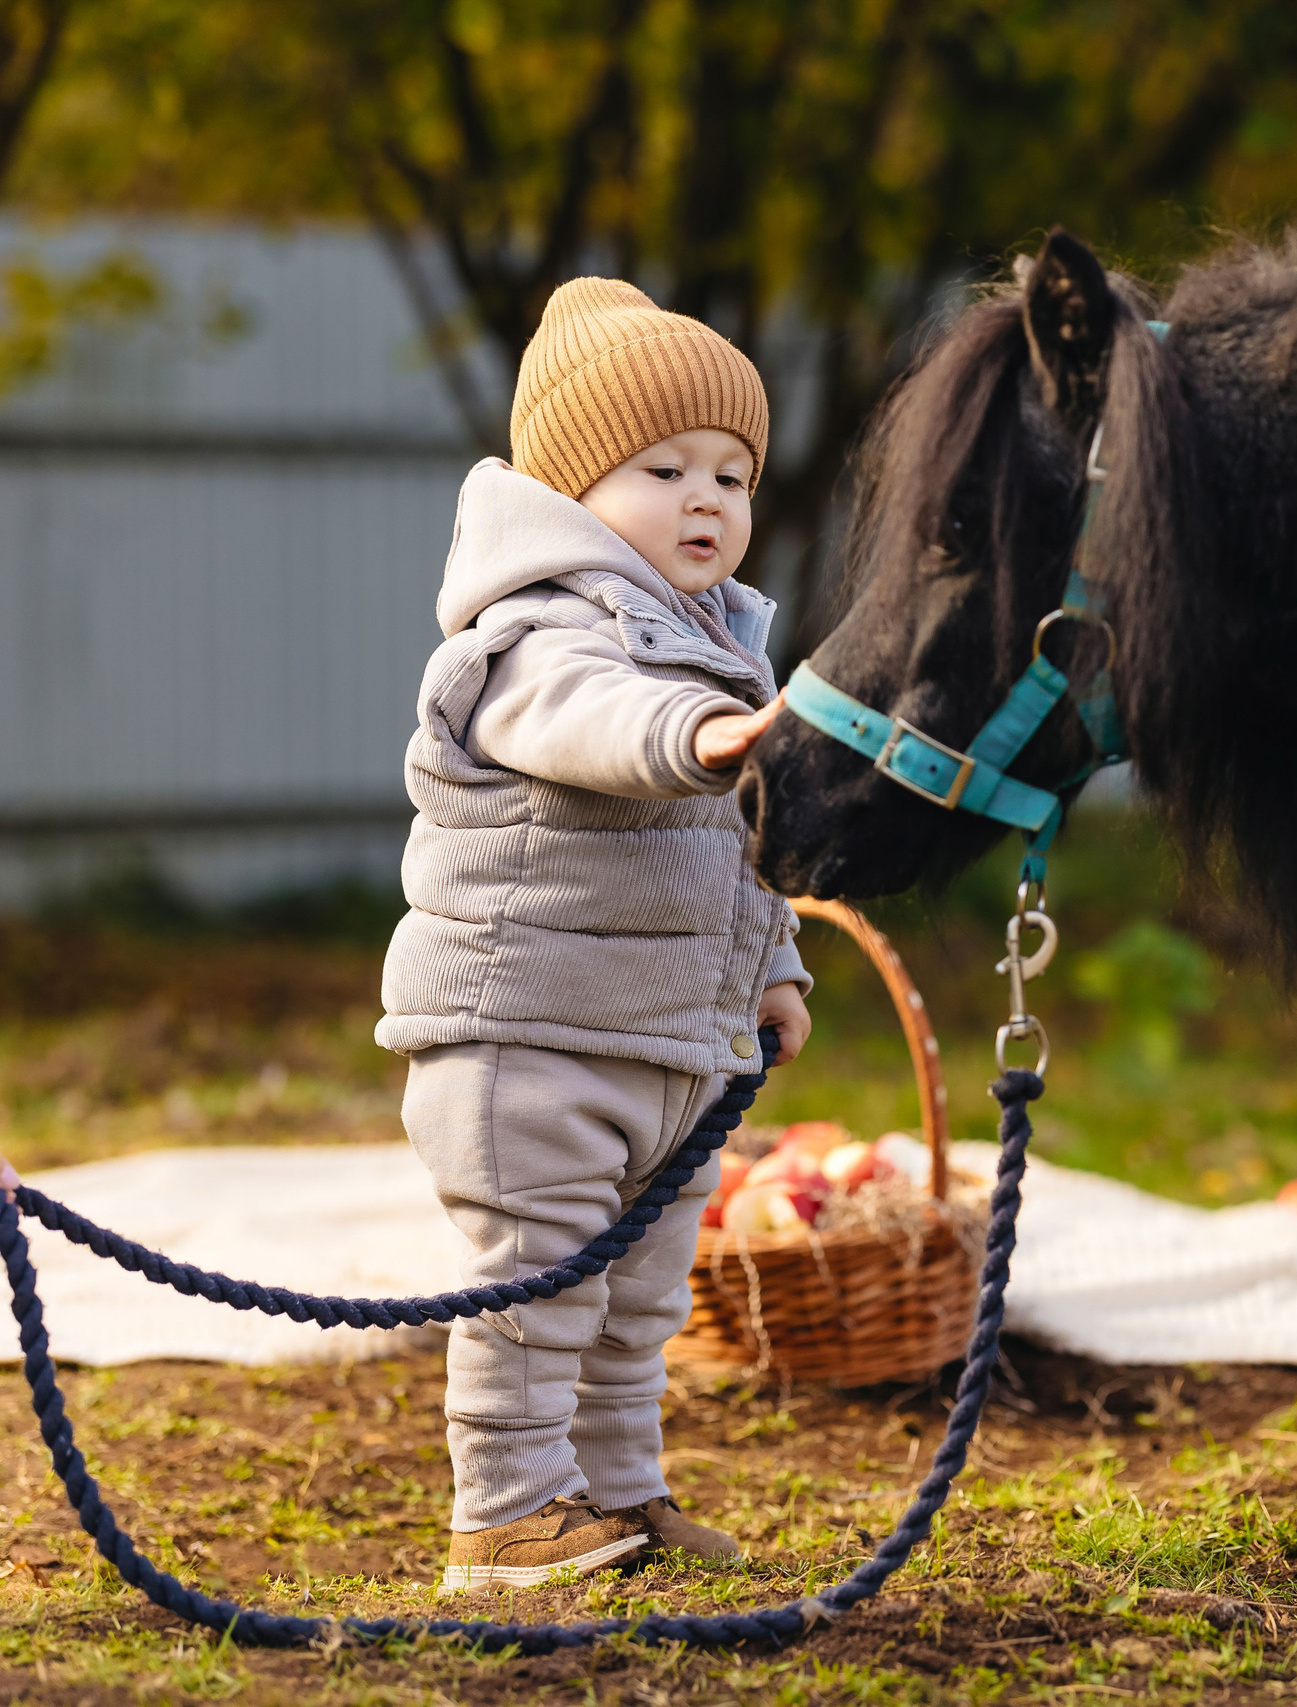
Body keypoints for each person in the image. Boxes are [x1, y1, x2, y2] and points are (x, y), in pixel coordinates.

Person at [376, 278, 810, 1590]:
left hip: (670, 1043)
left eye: (732, 475)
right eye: (665, 466)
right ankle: (506, 1511)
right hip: (532, 1038)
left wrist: (776, 969)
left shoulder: (725, 644)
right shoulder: (531, 631)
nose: (706, 500)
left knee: (639, 1302)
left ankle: (616, 1495)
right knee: (538, 1287)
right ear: (571, 491)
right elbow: (585, 723)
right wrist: (692, 737)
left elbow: (746, 852)